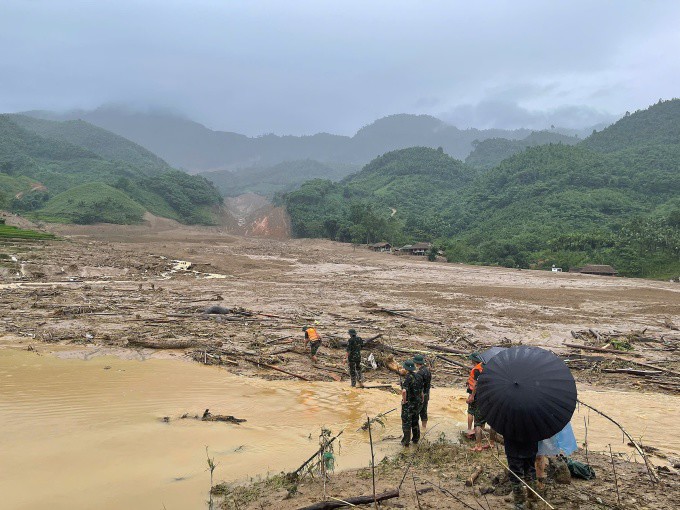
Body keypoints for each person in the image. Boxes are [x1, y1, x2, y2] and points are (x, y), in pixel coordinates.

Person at [504, 436, 538, 510]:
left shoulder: (508, 424)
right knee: (530, 472)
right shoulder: (534, 424)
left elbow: (503, 429)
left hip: (513, 448)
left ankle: (520, 504)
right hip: (531, 445)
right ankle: (532, 502)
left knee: (516, 476)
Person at [400, 359, 423, 447]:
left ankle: (406, 442)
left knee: (406, 422)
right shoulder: (419, 376)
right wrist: (422, 399)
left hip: (408, 405)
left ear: (405, 368)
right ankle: (416, 439)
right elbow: (421, 391)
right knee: (415, 421)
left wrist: (404, 401)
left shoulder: (407, 378)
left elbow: (404, 391)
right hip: (417, 404)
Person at [413, 354, 431, 430]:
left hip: (421, 395)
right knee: (424, 411)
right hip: (427, 393)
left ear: (416, 363)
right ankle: (424, 428)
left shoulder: (419, 373)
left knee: (416, 412)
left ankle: (416, 429)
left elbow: (418, 387)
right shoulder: (428, 371)